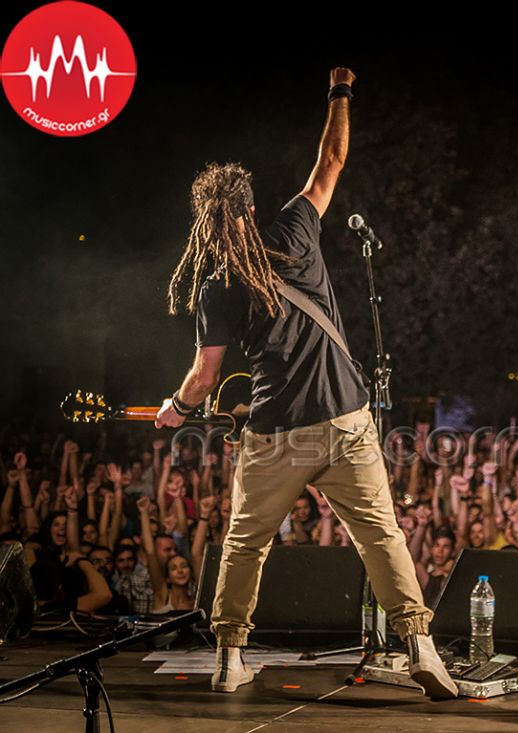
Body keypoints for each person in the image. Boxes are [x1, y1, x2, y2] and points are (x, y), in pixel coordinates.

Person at [156, 68, 456, 698]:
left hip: (277, 437)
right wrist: (339, 91)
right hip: (347, 418)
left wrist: (176, 409)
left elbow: (204, 376)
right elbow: (331, 158)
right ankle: (421, 645)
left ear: (205, 225)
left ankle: (230, 656)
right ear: (252, 208)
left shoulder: (216, 287)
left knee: (245, 543)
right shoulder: (294, 229)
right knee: (382, 536)